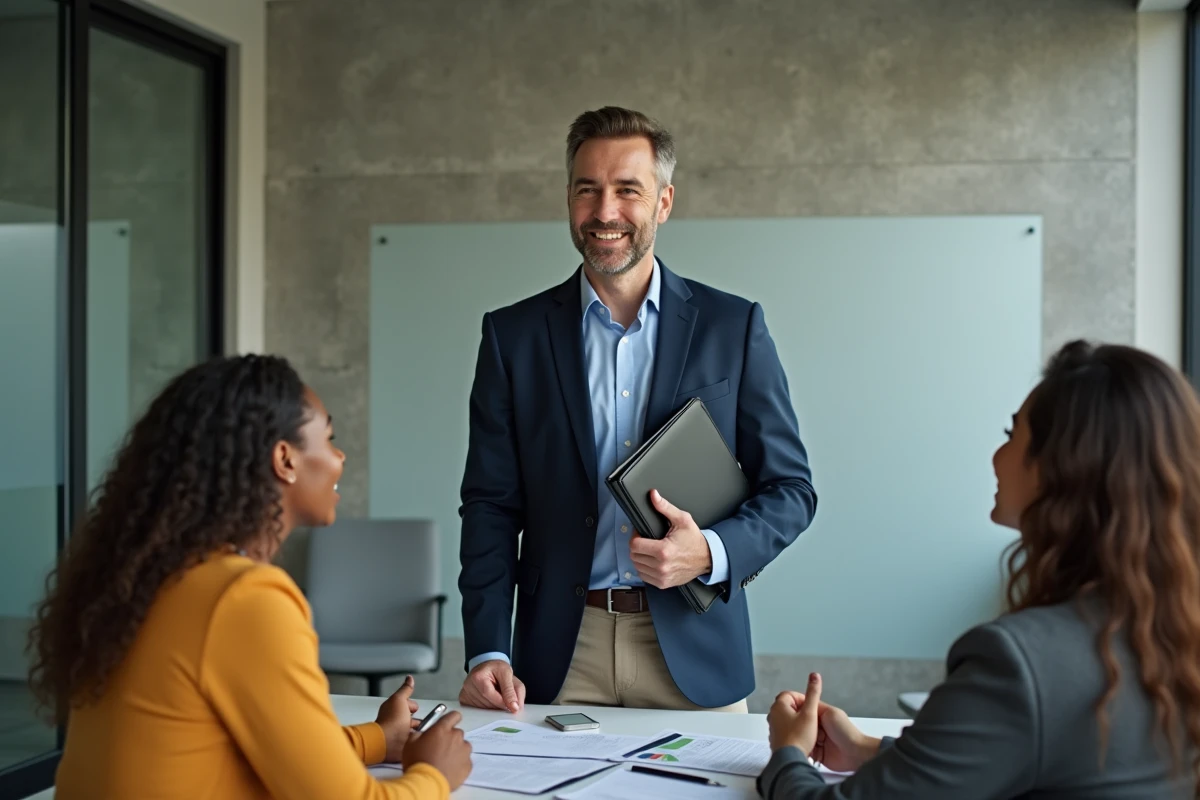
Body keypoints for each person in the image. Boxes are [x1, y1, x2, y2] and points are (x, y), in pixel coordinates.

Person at [457, 106, 817, 713]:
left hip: (695, 653)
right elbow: (490, 505)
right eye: (587, 190)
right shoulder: (512, 337)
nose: (605, 212)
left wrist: (710, 552)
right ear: (568, 199)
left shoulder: (733, 327)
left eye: (628, 190)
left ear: (664, 202)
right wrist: (487, 648)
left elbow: (791, 491)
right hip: (557, 657)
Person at [762, 340, 1200, 798]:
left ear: (1061, 466)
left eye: (1012, 434)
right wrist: (866, 750)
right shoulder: (1167, 635)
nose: (996, 455)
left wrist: (787, 753)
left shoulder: (1017, 664)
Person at [30, 354, 473, 799]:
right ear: (284, 459)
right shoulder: (244, 598)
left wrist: (379, 738)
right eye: (329, 439)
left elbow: (244, 754)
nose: (339, 457)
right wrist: (435, 773)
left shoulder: (152, 579)